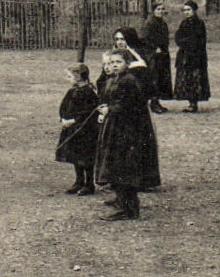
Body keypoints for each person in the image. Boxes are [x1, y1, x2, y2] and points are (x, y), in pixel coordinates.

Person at [95, 48, 153, 220]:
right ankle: (122, 202)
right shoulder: (114, 79)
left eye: (118, 62)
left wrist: (109, 110)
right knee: (115, 165)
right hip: (115, 128)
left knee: (124, 167)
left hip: (127, 131)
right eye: (111, 62)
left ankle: (129, 208)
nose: (114, 65)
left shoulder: (129, 81)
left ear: (127, 64)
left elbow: (128, 106)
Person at [56, 63, 100, 195]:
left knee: (86, 156)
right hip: (72, 130)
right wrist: (63, 119)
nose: (68, 79)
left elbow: (89, 111)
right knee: (75, 155)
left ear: (79, 77)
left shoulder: (89, 93)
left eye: (70, 76)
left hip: (85, 131)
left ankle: (89, 183)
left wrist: (75, 121)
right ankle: (79, 181)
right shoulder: (71, 92)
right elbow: (63, 106)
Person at [174, 0, 210, 113]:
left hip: (195, 56)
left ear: (194, 11)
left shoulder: (199, 24)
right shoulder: (183, 23)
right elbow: (177, 37)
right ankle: (190, 101)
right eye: (184, 10)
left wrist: (187, 43)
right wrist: (183, 42)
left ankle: (194, 102)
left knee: (195, 78)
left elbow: (198, 40)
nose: (186, 12)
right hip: (184, 55)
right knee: (186, 78)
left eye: (189, 10)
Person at [140, 2, 173, 113]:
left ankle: (157, 101)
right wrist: (154, 48)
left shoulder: (162, 23)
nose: (161, 11)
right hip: (152, 56)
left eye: (162, 9)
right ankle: (153, 103)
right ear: (153, 11)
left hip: (162, 55)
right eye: (158, 9)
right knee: (154, 78)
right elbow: (144, 39)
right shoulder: (149, 23)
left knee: (161, 78)